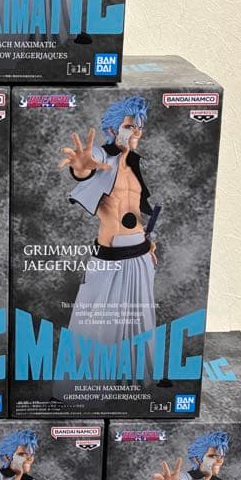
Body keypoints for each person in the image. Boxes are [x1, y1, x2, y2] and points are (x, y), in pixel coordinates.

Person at [59, 95, 158, 389]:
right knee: (92, 326)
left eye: (139, 126)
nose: (136, 131)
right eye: (129, 126)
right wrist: (81, 167)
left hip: (141, 254)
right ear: (113, 130)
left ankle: (134, 390)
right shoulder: (103, 158)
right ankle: (79, 391)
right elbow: (88, 165)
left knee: (139, 323)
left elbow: (134, 211)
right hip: (110, 257)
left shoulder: (134, 166)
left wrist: (149, 244)